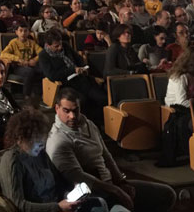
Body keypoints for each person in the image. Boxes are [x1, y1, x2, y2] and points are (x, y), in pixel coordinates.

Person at [47, 88, 176, 212]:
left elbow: (106, 155)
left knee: (166, 194)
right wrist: (116, 190)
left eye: (76, 110)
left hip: (110, 184)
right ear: (57, 109)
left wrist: (121, 181)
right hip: (92, 193)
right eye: (67, 111)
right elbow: (79, 177)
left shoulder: (88, 124)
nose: (73, 116)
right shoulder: (58, 140)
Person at [0, 109, 112, 212]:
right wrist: (58, 207)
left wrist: (69, 192)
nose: (42, 145)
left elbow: (58, 181)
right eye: (37, 140)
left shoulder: (40, 153)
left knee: (100, 203)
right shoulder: (12, 160)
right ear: (21, 138)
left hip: (59, 204)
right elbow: (19, 205)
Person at [38, 30, 107, 125]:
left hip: (81, 79)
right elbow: (52, 76)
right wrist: (72, 70)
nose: (60, 47)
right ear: (48, 45)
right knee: (82, 101)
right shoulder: (43, 55)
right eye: (56, 46)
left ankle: (99, 124)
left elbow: (78, 59)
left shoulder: (65, 46)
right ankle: (86, 126)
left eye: (60, 44)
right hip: (65, 84)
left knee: (102, 98)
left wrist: (83, 67)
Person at [0, 22, 43, 100]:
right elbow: (3, 54)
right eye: (21, 30)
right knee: (29, 72)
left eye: (25, 31)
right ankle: (27, 95)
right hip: (18, 66)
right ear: (16, 32)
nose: (23, 33)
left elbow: (42, 52)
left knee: (42, 70)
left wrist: (34, 60)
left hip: (29, 64)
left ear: (29, 32)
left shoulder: (31, 42)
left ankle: (39, 94)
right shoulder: (13, 42)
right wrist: (18, 59)